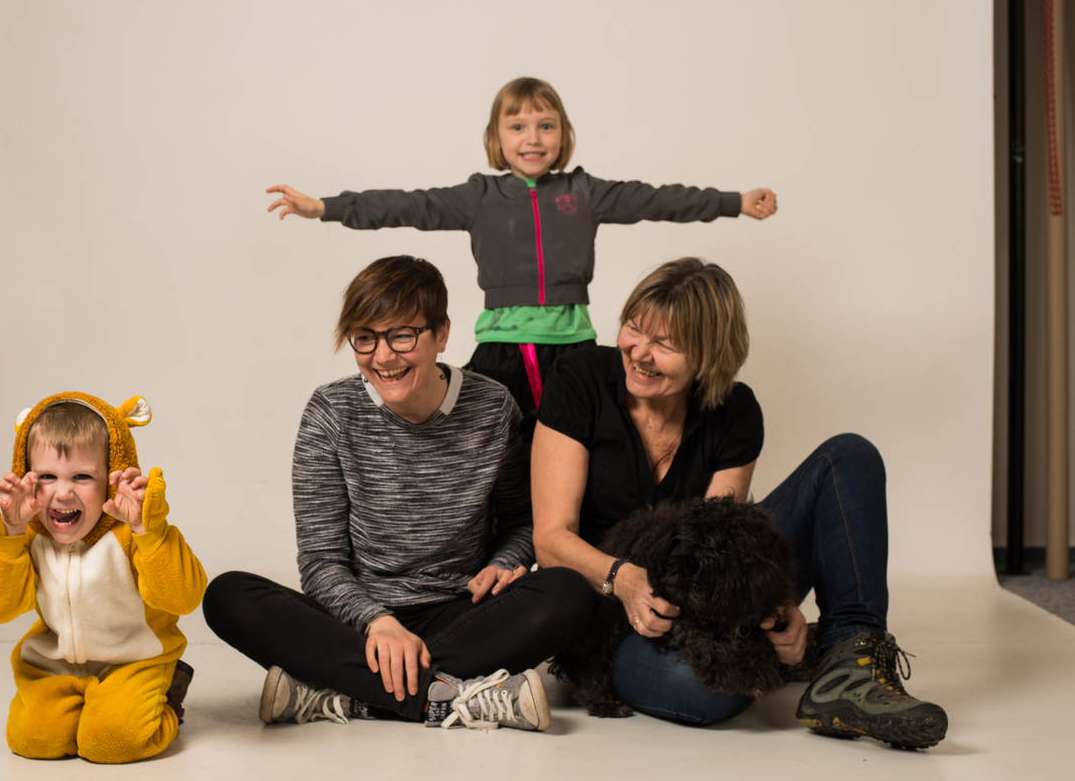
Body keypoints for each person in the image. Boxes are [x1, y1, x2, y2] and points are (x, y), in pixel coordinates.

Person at [531, 258, 949, 750]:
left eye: (665, 344)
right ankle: (793, 658)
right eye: (634, 328)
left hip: (699, 600)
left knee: (849, 456)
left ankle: (848, 661)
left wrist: (776, 606)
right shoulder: (579, 379)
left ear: (708, 353)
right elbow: (551, 541)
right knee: (709, 693)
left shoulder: (736, 410)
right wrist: (624, 580)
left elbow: (726, 551)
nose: (639, 353)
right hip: (610, 616)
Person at [203, 255, 593, 731]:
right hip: (358, 620)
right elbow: (321, 561)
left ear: (442, 334)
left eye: (402, 336)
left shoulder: (492, 406)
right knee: (228, 595)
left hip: (463, 613)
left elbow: (521, 523)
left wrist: (502, 563)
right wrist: (378, 622)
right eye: (365, 338)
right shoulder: (331, 411)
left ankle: (347, 694)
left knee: (569, 591)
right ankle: (451, 696)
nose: (383, 357)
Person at [265, 77, 777, 423]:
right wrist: (325, 207)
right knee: (496, 444)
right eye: (518, 127)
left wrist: (735, 202)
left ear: (563, 135)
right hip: (502, 348)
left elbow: (659, 200)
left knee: (588, 439)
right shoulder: (479, 196)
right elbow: (407, 205)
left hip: (573, 345)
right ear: (496, 137)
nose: (533, 138)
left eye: (545, 126)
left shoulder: (584, 191)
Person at [0, 392, 207, 763]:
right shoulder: (27, 537)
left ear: (112, 478)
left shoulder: (131, 535)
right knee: (33, 741)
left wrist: (150, 532)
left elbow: (183, 599)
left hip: (133, 661)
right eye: (47, 477)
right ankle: (87, 706)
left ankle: (169, 698)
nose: (63, 492)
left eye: (82, 476)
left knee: (112, 743)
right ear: (26, 477)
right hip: (55, 663)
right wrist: (7, 540)